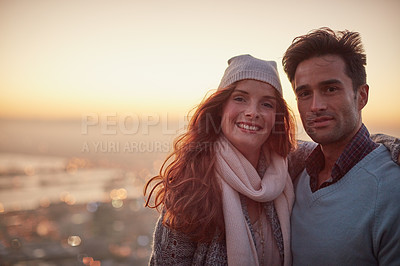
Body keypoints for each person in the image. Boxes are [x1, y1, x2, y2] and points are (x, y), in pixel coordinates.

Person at [144, 54, 297, 266]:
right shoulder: (190, 185)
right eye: (240, 98)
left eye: (267, 104)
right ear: (220, 107)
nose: (252, 112)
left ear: (277, 117)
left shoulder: (290, 168)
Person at [282, 27, 400, 265]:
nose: (316, 105)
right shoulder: (295, 176)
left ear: (362, 96)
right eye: (304, 93)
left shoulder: (391, 190)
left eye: (330, 89)